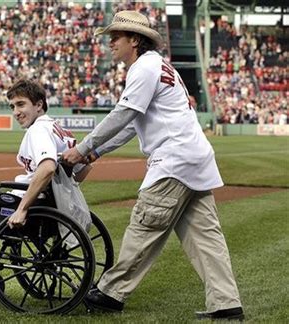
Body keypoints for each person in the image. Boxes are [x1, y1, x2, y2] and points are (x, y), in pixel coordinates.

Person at [62, 11, 244, 321]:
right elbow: (134, 125)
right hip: (195, 159)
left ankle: (110, 293)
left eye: (115, 37)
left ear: (134, 40)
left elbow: (122, 115)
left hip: (173, 160)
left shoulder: (143, 67)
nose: (110, 43)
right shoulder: (158, 65)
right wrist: (97, 152)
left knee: (144, 226)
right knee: (206, 238)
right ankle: (226, 302)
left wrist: (82, 149)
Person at [6, 79, 91, 229]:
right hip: (54, 203)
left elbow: (47, 168)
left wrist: (22, 209)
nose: (15, 112)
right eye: (12, 107)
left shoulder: (38, 130)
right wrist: (59, 192)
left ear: (39, 105)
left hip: (38, 203)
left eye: (21, 104)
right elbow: (83, 170)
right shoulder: (56, 127)